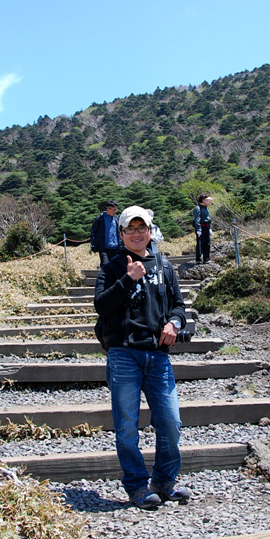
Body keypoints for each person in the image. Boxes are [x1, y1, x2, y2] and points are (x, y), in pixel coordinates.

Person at [94, 205, 190, 510]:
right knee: (126, 426)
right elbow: (102, 306)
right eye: (130, 229)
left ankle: (164, 482)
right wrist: (129, 278)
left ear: (150, 231)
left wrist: (174, 324)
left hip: (157, 355)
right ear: (121, 234)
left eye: (142, 228)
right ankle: (136, 486)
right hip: (123, 354)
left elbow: (178, 306)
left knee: (171, 422)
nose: (137, 234)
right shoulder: (110, 268)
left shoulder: (164, 266)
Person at [90, 200, 121, 266]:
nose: (115, 212)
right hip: (104, 248)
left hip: (116, 248)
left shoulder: (116, 219)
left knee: (116, 267)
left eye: (116, 210)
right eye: (113, 210)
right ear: (108, 208)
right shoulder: (100, 219)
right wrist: (94, 245)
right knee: (105, 265)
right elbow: (94, 232)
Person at [193, 194, 212, 263]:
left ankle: (206, 259)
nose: (208, 202)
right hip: (201, 227)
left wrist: (210, 228)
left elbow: (208, 219)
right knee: (200, 243)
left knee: (207, 243)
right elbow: (197, 219)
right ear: (203, 200)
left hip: (207, 227)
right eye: (207, 200)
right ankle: (198, 259)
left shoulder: (205, 208)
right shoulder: (198, 208)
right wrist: (198, 229)